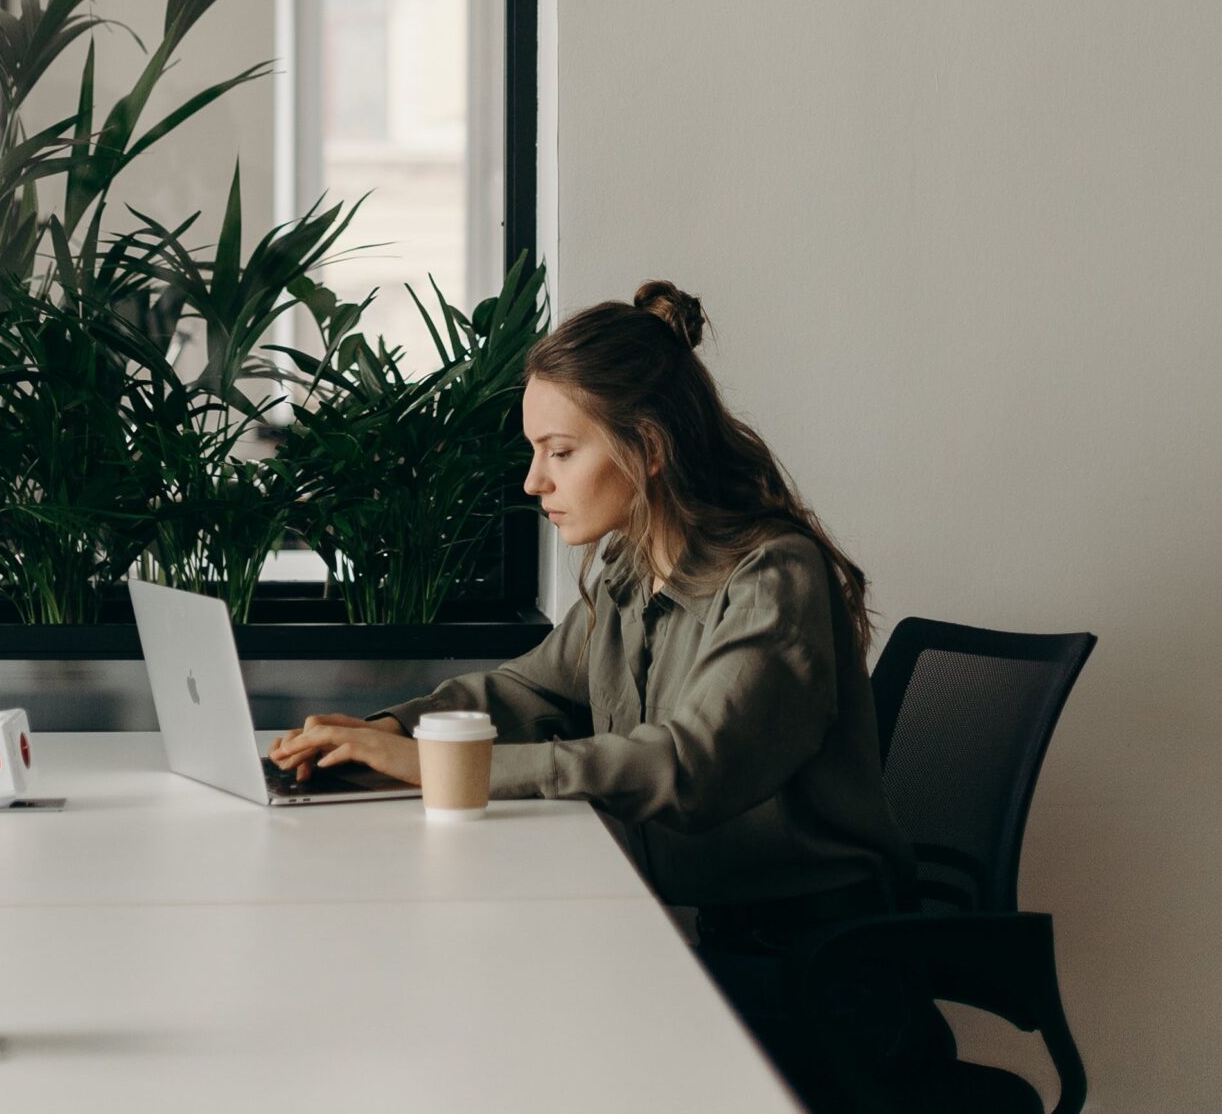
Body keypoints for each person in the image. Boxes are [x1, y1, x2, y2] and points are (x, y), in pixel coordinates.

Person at [269, 282, 946, 1110]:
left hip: (818, 984)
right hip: (714, 943)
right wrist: (381, 732)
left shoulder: (773, 577)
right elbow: (528, 688)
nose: (532, 482)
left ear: (647, 449)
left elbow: (690, 767)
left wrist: (431, 766)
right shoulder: (634, 566)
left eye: (559, 452)